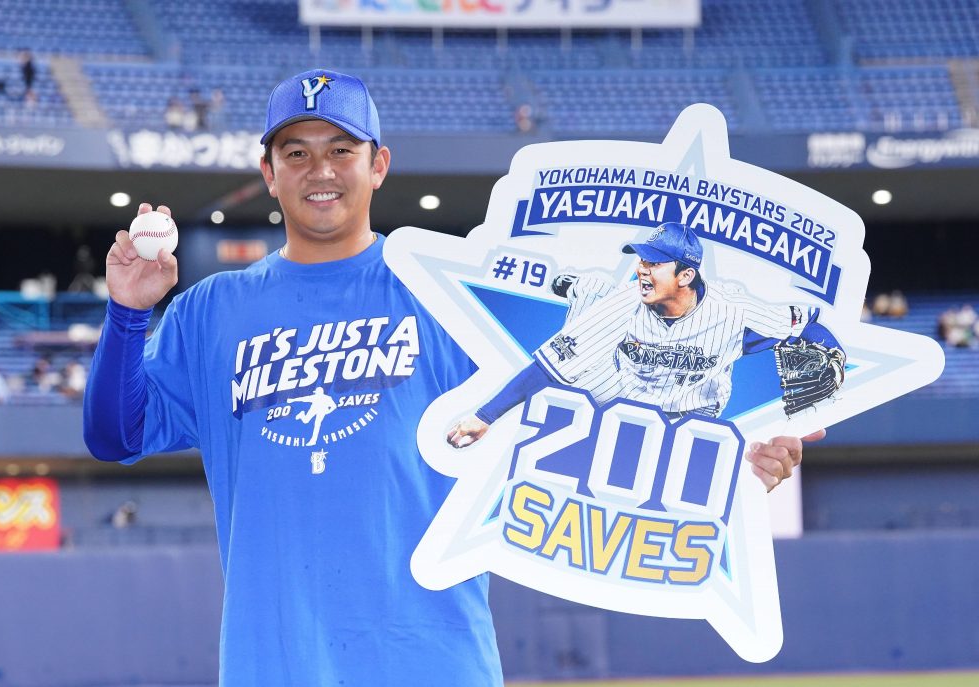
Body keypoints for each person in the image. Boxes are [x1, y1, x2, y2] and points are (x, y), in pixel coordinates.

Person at [83, 69, 816, 685]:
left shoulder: (448, 291)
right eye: (297, 152)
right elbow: (115, 436)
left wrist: (739, 447)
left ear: (379, 164)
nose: (321, 169)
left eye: (343, 148)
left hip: (430, 658)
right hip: (276, 662)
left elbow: (607, 394)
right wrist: (126, 314)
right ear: (268, 172)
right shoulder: (213, 311)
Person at [447, 223, 836, 489]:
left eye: (654, 263)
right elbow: (549, 367)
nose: (642, 271)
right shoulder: (625, 302)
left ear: (685, 276)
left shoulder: (733, 310)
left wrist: (830, 359)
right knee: (596, 293)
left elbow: (806, 323)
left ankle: (581, 287)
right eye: (641, 261)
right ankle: (578, 288)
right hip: (621, 395)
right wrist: (485, 416)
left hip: (694, 419)